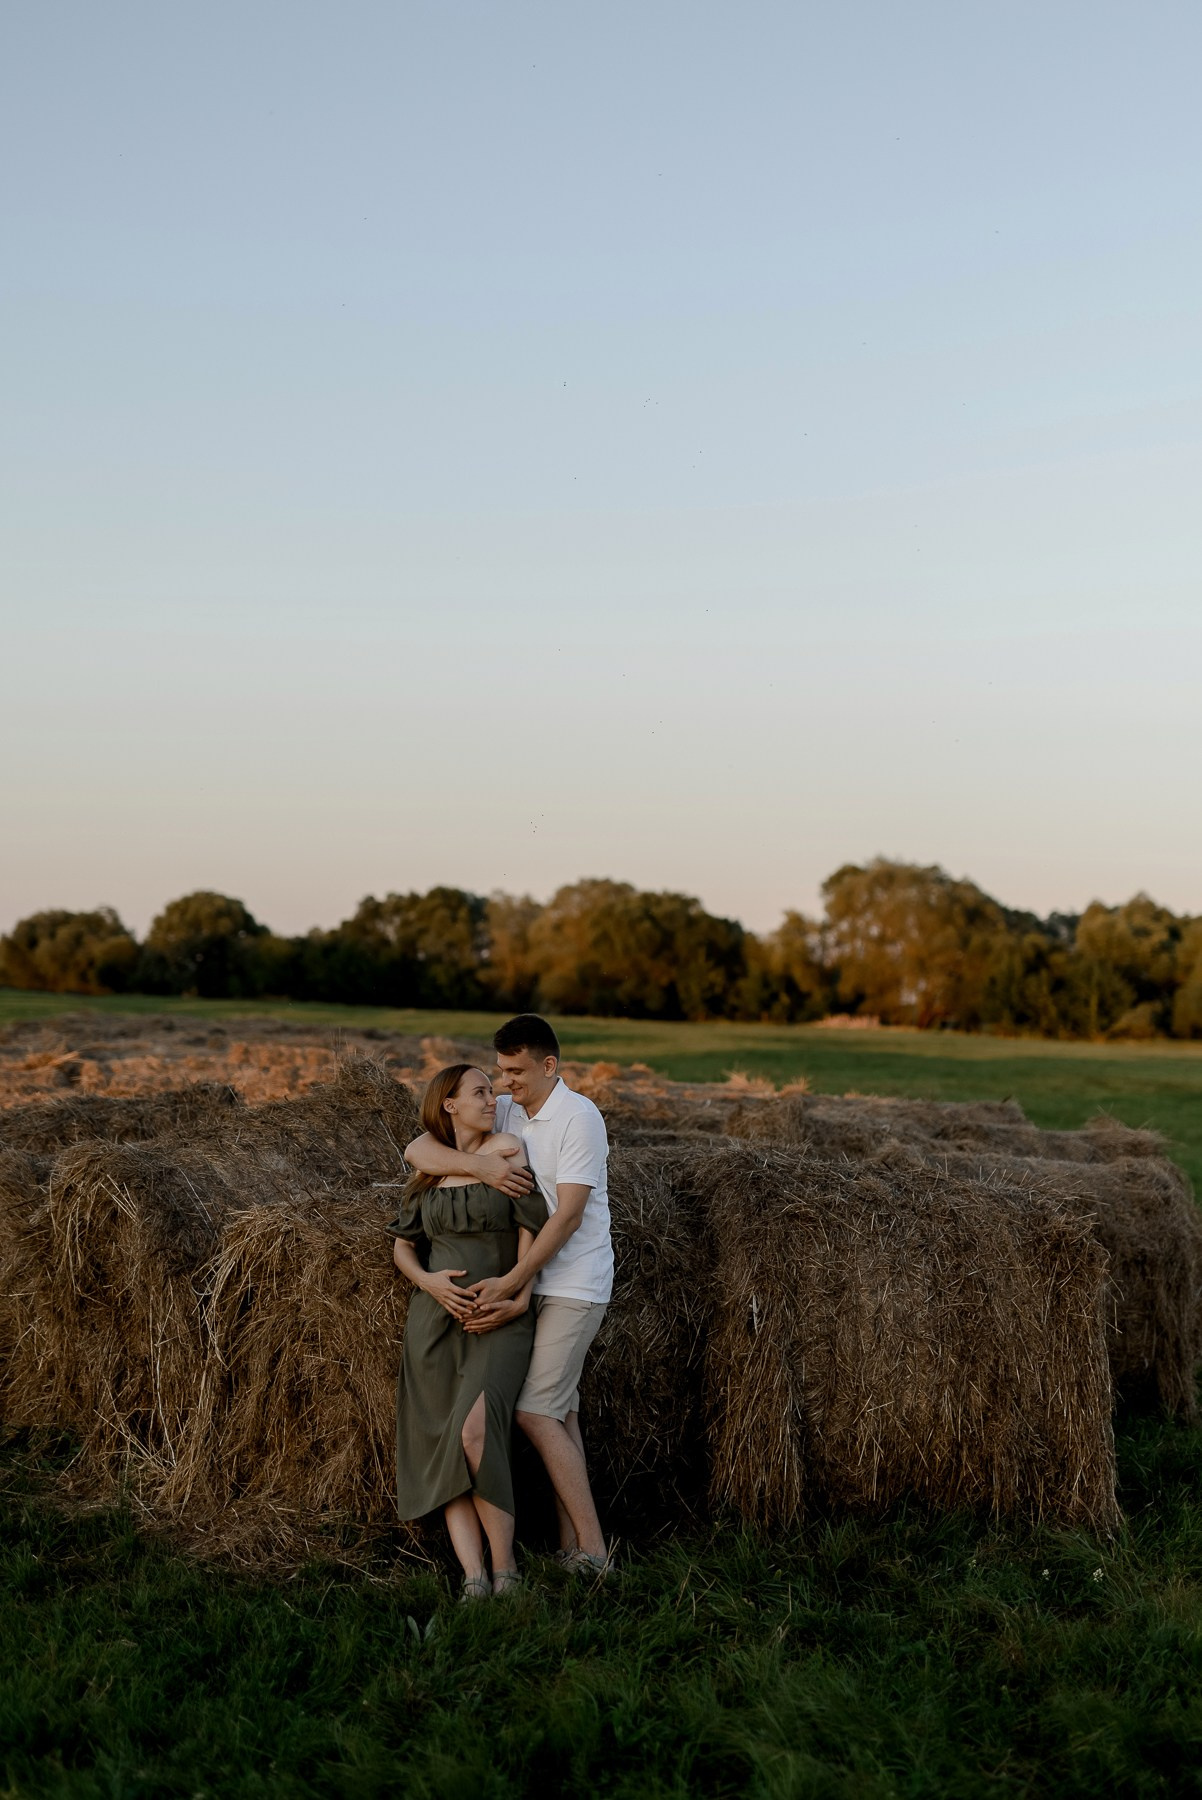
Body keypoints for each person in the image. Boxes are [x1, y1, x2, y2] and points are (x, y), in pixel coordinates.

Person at [405, 1014, 615, 1576]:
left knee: (536, 1413)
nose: (503, 1083)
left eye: (515, 1071)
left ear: (550, 1066)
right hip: (533, 1280)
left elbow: (568, 1215)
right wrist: (477, 1166)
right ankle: (571, 1548)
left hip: (571, 1284)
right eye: (498, 1072)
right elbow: (418, 1149)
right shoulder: (509, 1108)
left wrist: (516, 1283)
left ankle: (595, 1554)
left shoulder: (579, 1117)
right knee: (563, 1413)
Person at [389, 1062, 547, 1600]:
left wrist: (515, 1288)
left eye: (492, 1089)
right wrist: (428, 1283)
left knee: (475, 1431)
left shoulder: (507, 1148)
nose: (493, 1096)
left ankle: (507, 1571)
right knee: (444, 1445)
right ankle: (474, 1578)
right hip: (434, 1325)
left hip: (498, 1316)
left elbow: (532, 1222)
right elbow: (403, 1244)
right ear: (450, 1104)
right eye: (480, 1091)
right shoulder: (430, 1167)